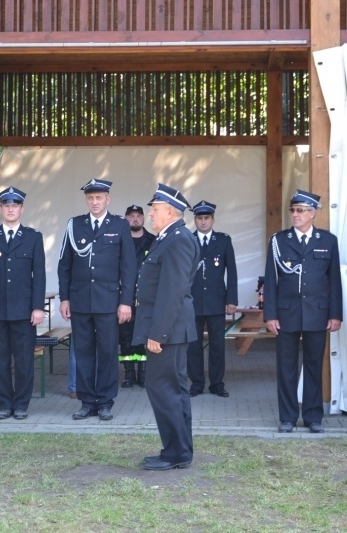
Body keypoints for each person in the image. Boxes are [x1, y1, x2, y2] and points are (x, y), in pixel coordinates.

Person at [58, 179, 137, 421]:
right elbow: (64, 265)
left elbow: (129, 267)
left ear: (107, 199)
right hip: (80, 300)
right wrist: (65, 298)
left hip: (108, 302)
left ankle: (105, 401)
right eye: (91, 198)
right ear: (86, 200)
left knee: (107, 352)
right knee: (83, 353)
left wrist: (126, 301)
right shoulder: (75, 225)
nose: (94, 202)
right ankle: (86, 401)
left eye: (99, 198)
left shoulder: (120, 225)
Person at [263, 190, 342, 433]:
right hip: (286, 313)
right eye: (293, 210)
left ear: (312, 214)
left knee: (314, 366)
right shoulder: (279, 241)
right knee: (286, 367)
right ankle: (287, 417)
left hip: (317, 312)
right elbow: (271, 280)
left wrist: (335, 314)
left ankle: (313, 417)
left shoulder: (327, 241)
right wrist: (270, 315)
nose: (295, 215)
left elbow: (334, 281)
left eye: (300, 211)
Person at [133, 183, 198, 470]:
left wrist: (157, 334)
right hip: (169, 329)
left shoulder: (177, 240)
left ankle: (175, 453)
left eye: (155, 209)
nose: (150, 214)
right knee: (172, 389)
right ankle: (179, 450)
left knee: (164, 389)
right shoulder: (170, 237)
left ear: (170, 212)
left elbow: (172, 292)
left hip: (168, 331)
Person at [0, 187, 46, 420]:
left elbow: (39, 275)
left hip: (24, 311)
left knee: (24, 360)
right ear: (1, 208)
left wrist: (38, 307)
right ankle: (4, 403)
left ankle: (22, 404)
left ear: (22, 209)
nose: (11, 209)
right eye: (7, 205)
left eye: (15, 206)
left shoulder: (33, 237)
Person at [187, 200, 237, 398]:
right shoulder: (188, 240)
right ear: (195, 220)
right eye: (200, 218)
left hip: (216, 301)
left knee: (218, 345)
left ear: (213, 219)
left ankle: (217, 384)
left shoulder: (223, 241)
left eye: (207, 218)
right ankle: (197, 383)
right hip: (192, 301)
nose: (203, 222)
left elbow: (232, 272)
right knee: (193, 345)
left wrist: (231, 300)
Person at [118, 204, 155, 388]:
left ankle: (144, 374)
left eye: (138, 216)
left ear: (143, 218)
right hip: (124, 296)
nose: (135, 219)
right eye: (131, 216)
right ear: (126, 219)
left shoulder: (153, 241)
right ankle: (129, 375)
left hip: (147, 297)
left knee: (145, 335)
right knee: (125, 337)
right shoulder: (119, 240)